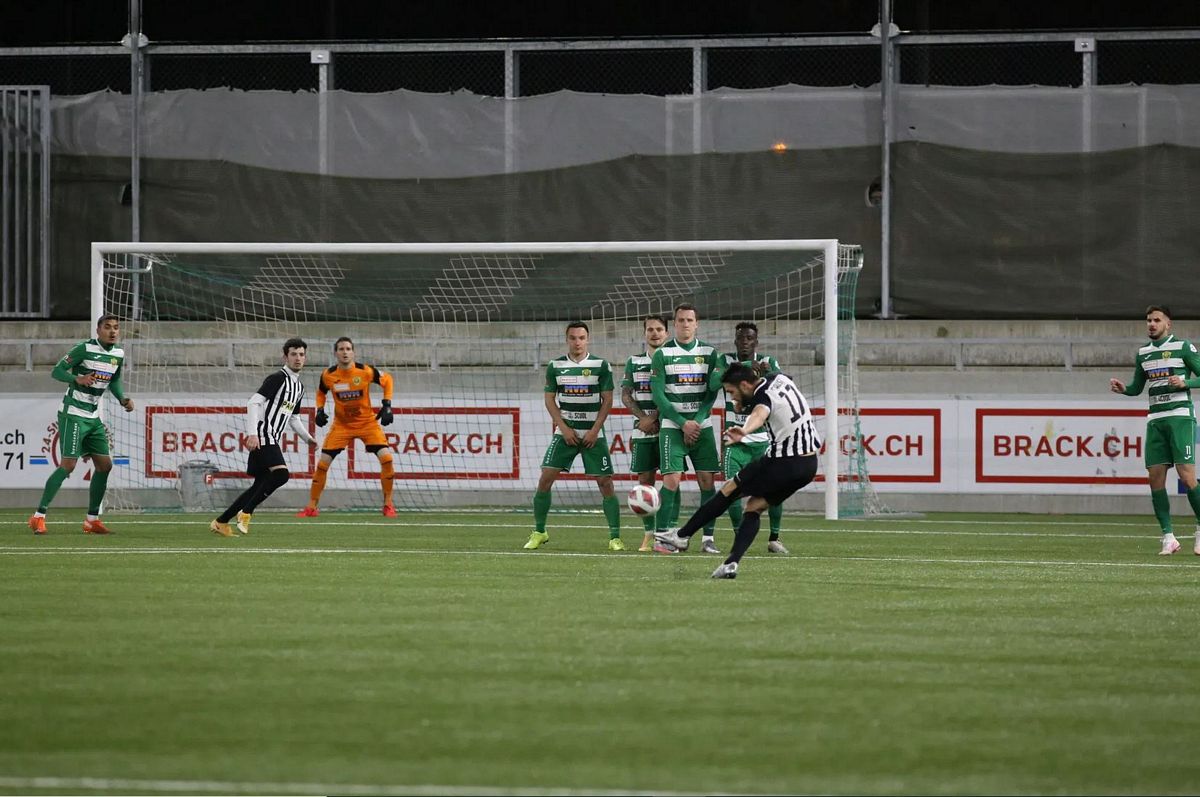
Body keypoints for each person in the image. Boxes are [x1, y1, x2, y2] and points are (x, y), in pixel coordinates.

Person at [655, 363, 821, 579]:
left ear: (744, 385)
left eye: (732, 392)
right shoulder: (778, 378)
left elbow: (759, 414)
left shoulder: (762, 398)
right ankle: (730, 564)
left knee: (729, 490)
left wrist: (744, 430)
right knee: (754, 506)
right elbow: (779, 382)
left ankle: (681, 536)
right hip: (808, 465)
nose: (733, 398)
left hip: (784, 461)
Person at [27, 314, 135, 535]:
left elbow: (114, 379)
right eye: (108, 327)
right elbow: (57, 371)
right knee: (68, 465)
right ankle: (38, 516)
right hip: (73, 413)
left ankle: (91, 520)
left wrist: (122, 398)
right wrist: (76, 379)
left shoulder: (118, 354)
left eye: (116, 327)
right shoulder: (84, 349)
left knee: (105, 465)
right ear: (98, 330)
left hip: (92, 417)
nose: (113, 331)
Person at [1109, 305, 1200, 556]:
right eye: (1149, 320)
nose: (1151, 324)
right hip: (1156, 420)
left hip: (1179, 417)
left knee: (1187, 476)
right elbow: (1137, 387)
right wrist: (1124, 389)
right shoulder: (1143, 353)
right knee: (1155, 478)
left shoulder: (1183, 347)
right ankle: (1168, 537)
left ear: (1168, 324)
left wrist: (1185, 382)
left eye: (1157, 320)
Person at [525, 321, 623, 551]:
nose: (577, 342)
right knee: (545, 478)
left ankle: (615, 537)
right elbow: (549, 400)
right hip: (565, 432)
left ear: (587, 339)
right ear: (567, 339)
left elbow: (608, 400)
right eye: (573, 338)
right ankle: (539, 531)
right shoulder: (555, 366)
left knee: (605, 482)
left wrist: (595, 430)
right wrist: (564, 428)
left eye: (581, 337)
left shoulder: (601, 365)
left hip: (592, 432)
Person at [210, 338, 319, 537]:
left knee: (259, 485)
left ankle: (221, 522)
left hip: (271, 438)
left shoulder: (299, 388)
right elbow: (253, 403)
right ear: (285, 357)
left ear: (305, 357)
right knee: (281, 475)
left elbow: (293, 417)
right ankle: (246, 512)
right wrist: (253, 434)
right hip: (263, 435)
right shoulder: (277, 378)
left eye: (301, 354)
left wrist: (307, 438)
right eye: (293, 354)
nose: (298, 358)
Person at [649, 303, 723, 554]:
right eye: (680, 320)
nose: (685, 324)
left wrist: (697, 421)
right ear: (674, 324)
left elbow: (712, 392)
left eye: (689, 320)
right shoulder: (662, 354)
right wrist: (683, 423)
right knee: (671, 479)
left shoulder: (710, 353)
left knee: (707, 482)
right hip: (672, 426)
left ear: (696, 324)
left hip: (702, 426)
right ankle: (662, 538)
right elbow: (658, 395)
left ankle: (708, 539)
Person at [296, 337, 397, 517]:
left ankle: (388, 504)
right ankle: (311, 507)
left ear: (353, 352)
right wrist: (319, 410)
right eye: (341, 349)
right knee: (322, 464)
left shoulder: (365, 371)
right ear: (335, 353)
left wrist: (387, 404)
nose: (345, 352)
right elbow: (321, 392)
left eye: (348, 349)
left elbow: (387, 379)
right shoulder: (328, 375)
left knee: (387, 459)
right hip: (342, 426)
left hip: (367, 423)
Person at [721, 322, 789, 554]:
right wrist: (751, 368)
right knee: (730, 490)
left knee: (775, 490)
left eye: (749, 338)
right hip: (734, 441)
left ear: (756, 342)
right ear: (735, 341)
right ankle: (739, 536)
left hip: (762, 441)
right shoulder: (725, 361)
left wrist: (765, 372)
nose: (745, 342)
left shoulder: (768, 362)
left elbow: (782, 383)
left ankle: (774, 538)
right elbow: (714, 383)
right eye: (741, 338)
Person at [621, 314, 669, 551]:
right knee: (645, 483)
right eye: (650, 329)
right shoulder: (634, 361)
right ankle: (649, 534)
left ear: (666, 333)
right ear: (644, 333)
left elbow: (674, 392)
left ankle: (667, 531)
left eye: (659, 329)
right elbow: (625, 394)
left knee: (671, 481)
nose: (655, 333)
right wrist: (644, 419)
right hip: (642, 430)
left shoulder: (672, 358)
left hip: (668, 428)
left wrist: (655, 417)